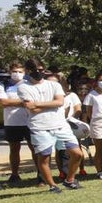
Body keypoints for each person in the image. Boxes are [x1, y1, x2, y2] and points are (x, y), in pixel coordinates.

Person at [18, 59, 85, 193]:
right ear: (28, 71)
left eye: (41, 70)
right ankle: (52, 185)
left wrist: (38, 103)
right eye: (34, 70)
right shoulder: (23, 87)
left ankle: (70, 180)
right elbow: (33, 110)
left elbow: (59, 102)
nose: (38, 73)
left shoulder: (54, 85)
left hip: (60, 125)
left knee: (77, 154)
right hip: (39, 127)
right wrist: (50, 103)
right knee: (44, 157)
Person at [0, 62, 36, 186]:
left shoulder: (30, 83)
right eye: (14, 71)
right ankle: (15, 174)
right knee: (14, 149)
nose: (17, 74)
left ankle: (40, 174)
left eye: (20, 71)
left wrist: (13, 102)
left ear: (25, 72)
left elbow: (34, 100)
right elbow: (3, 102)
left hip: (30, 121)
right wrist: (23, 102)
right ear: (10, 72)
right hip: (12, 122)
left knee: (34, 148)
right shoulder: (3, 84)